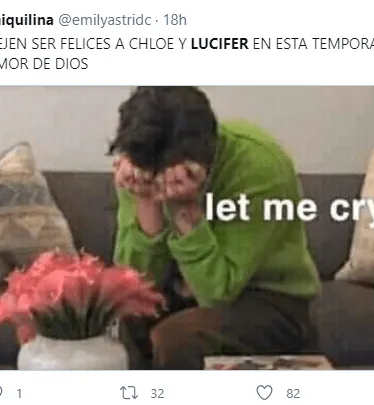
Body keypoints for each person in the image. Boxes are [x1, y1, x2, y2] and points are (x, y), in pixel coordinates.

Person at [110, 86, 321, 370]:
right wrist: (146, 201)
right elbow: (134, 285)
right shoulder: (141, 161)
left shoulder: (259, 166)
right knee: (128, 314)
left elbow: (217, 292)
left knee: (175, 338)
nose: (157, 181)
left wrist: (184, 211)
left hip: (268, 297)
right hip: (179, 289)